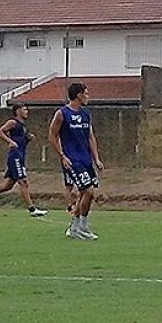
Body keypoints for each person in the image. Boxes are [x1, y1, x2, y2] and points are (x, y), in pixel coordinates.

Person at [49, 82, 103, 240]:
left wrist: (96, 158)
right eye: (86, 93)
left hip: (86, 160)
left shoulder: (86, 114)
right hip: (72, 160)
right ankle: (82, 227)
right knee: (88, 191)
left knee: (86, 194)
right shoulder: (62, 113)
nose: (88, 96)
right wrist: (62, 156)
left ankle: (75, 227)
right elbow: (52, 136)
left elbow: (90, 137)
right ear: (78, 95)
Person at [0, 104, 47, 217]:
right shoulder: (12, 122)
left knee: (8, 185)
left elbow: (20, 139)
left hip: (20, 155)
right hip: (15, 156)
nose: (27, 111)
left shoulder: (23, 126)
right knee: (23, 182)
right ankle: (32, 209)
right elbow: (0, 132)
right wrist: (9, 141)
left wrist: (28, 138)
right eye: (24, 109)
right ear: (18, 111)